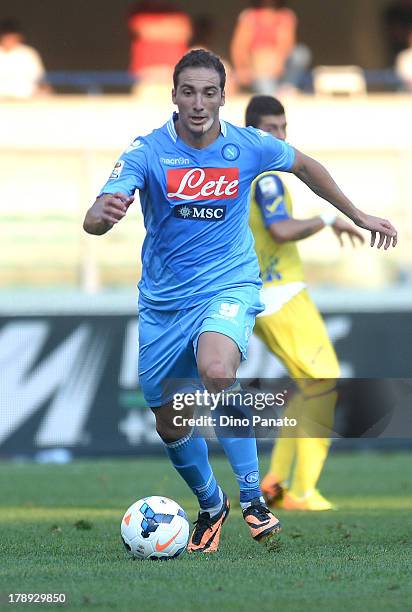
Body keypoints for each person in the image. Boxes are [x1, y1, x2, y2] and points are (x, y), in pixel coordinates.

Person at [83, 50, 397, 553]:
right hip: (163, 303)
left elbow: (307, 166)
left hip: (229, 285)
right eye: (189, 92)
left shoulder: (248, 146)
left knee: (217, 370)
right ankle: (212, 503)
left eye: (210, 92)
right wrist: (103, 213)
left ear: (224, 97)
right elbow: (95, 217)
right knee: (170, 420)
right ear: (174, 97)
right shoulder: (146, 151)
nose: (199, 102)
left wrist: (358, 214)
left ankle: (253, 497)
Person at [246, 95, 367, 510]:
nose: (279, 137)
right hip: (281, 294)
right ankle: (303, 491)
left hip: (261, 294)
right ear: (252, 133)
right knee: (325, 381)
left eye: (283, 128)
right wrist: (330, 218)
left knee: (307, 386)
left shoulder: (242, 177)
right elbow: (280, 230)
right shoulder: (267, 179)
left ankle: (275, 484)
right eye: (269, 130)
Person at [230, 0, 311, 94]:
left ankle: (287, 87)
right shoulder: (250, 16)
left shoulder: (286, 15)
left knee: (300, 53)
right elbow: (239, 47)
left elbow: (286, 43)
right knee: (268, 93)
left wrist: (277, 60)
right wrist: (244, 68)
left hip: (278, 66)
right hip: (257, 67)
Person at [127, 1, 192, 91]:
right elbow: (145, 31)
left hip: (174, 72)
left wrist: (160, 28)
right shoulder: (141, 10)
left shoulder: (177, 11)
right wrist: (171, 28)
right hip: (148, 73)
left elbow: (184, 32)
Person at [0, 18, 49, 99]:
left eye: (13, 37)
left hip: (25, 99)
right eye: (7, 37)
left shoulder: (28, 53)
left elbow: (40, 79)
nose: (10, 40)